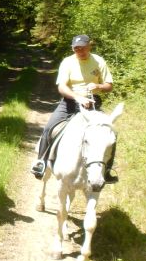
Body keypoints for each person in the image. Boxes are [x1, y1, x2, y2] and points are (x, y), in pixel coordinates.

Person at [31, 34, 118, 183]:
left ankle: (107, 171)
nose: (80, 51)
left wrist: (98, 86)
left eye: (83, 48)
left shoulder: (99, 61)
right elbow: (62, 87)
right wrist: (78, 97)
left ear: (89, 46)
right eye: (76, 49)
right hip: (70, 102)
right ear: (73, 49)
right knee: (49, 128)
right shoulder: (68, 62)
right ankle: (42, 162)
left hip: (93, 103)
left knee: (109, 133)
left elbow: (109, 85)